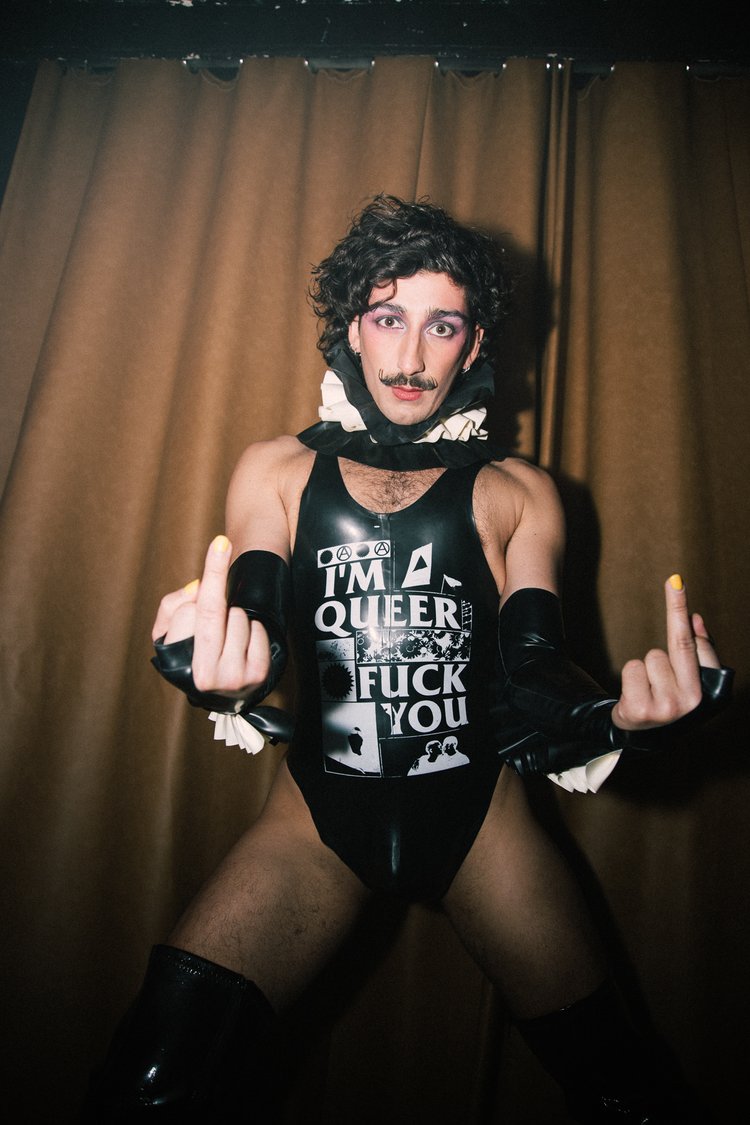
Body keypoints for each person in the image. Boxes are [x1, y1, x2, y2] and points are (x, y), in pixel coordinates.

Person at [84, 195, 732, 1123]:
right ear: (352, 328)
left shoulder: (520, 492)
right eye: (388, 318)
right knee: (146, 1082)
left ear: (474, 346)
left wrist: (615, 720)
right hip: (314, 824)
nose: (411, 356)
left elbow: (535, 667)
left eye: (443, 325)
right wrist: (216, 660)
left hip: (482, 828)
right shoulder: (274, 470)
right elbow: (255, 618)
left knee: (629, 1094)